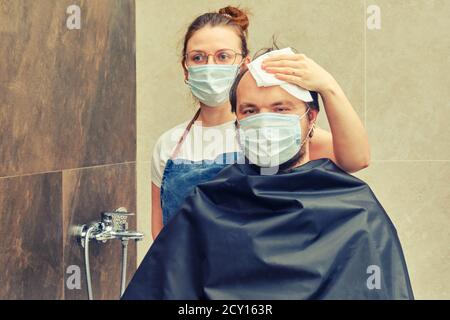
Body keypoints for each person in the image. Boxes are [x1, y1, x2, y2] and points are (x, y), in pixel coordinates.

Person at [122, 49, 413, 299]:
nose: (264, 121)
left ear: (310, 118)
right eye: (250, 111)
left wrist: (329, 86)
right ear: (237, 122)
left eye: (280, 108)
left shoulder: (356, 212)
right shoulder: (207, 205)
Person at [151, 6, 370, 238]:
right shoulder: (169, 144)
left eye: (223, 56)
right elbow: (160, 234)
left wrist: (328, 86)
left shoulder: (268, 130)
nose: (210, 66)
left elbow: (357, 159)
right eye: (198, 57)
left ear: (244, 65)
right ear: (186, 69)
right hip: (186, 272)